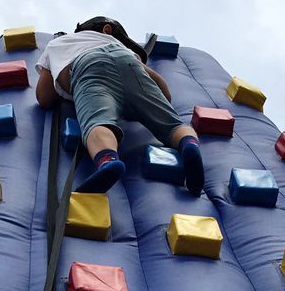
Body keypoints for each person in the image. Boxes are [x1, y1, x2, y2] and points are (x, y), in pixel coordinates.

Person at [34, 17, 205, 196]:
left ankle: (108, 160)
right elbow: (165, 93)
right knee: (173, 124)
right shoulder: (120, 46)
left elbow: (44, 97)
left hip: (89, 67)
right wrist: (138, 105)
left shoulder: (58, 43)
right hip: (130, 65)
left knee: (98, 123)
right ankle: (189, 145)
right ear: (106, 30)